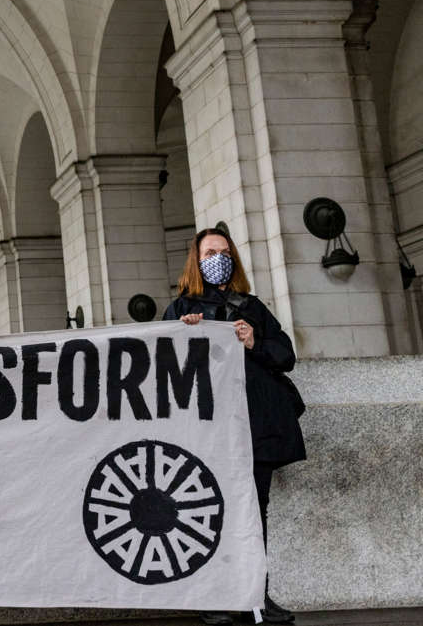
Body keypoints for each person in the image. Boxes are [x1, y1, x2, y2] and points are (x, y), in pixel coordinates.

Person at [163, 227, 305, 626]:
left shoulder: (252, 306)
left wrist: (253, 340)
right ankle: (212, 594)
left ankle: (255, 595)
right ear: (197, 258)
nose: (217, 258)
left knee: (254, 510)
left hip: (255, 423)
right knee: (207, 508)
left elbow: (285, 356)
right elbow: (160, 361)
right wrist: (182, 335)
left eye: (224, 252)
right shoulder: (181, 309)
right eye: (210, 252)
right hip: (207, 427)